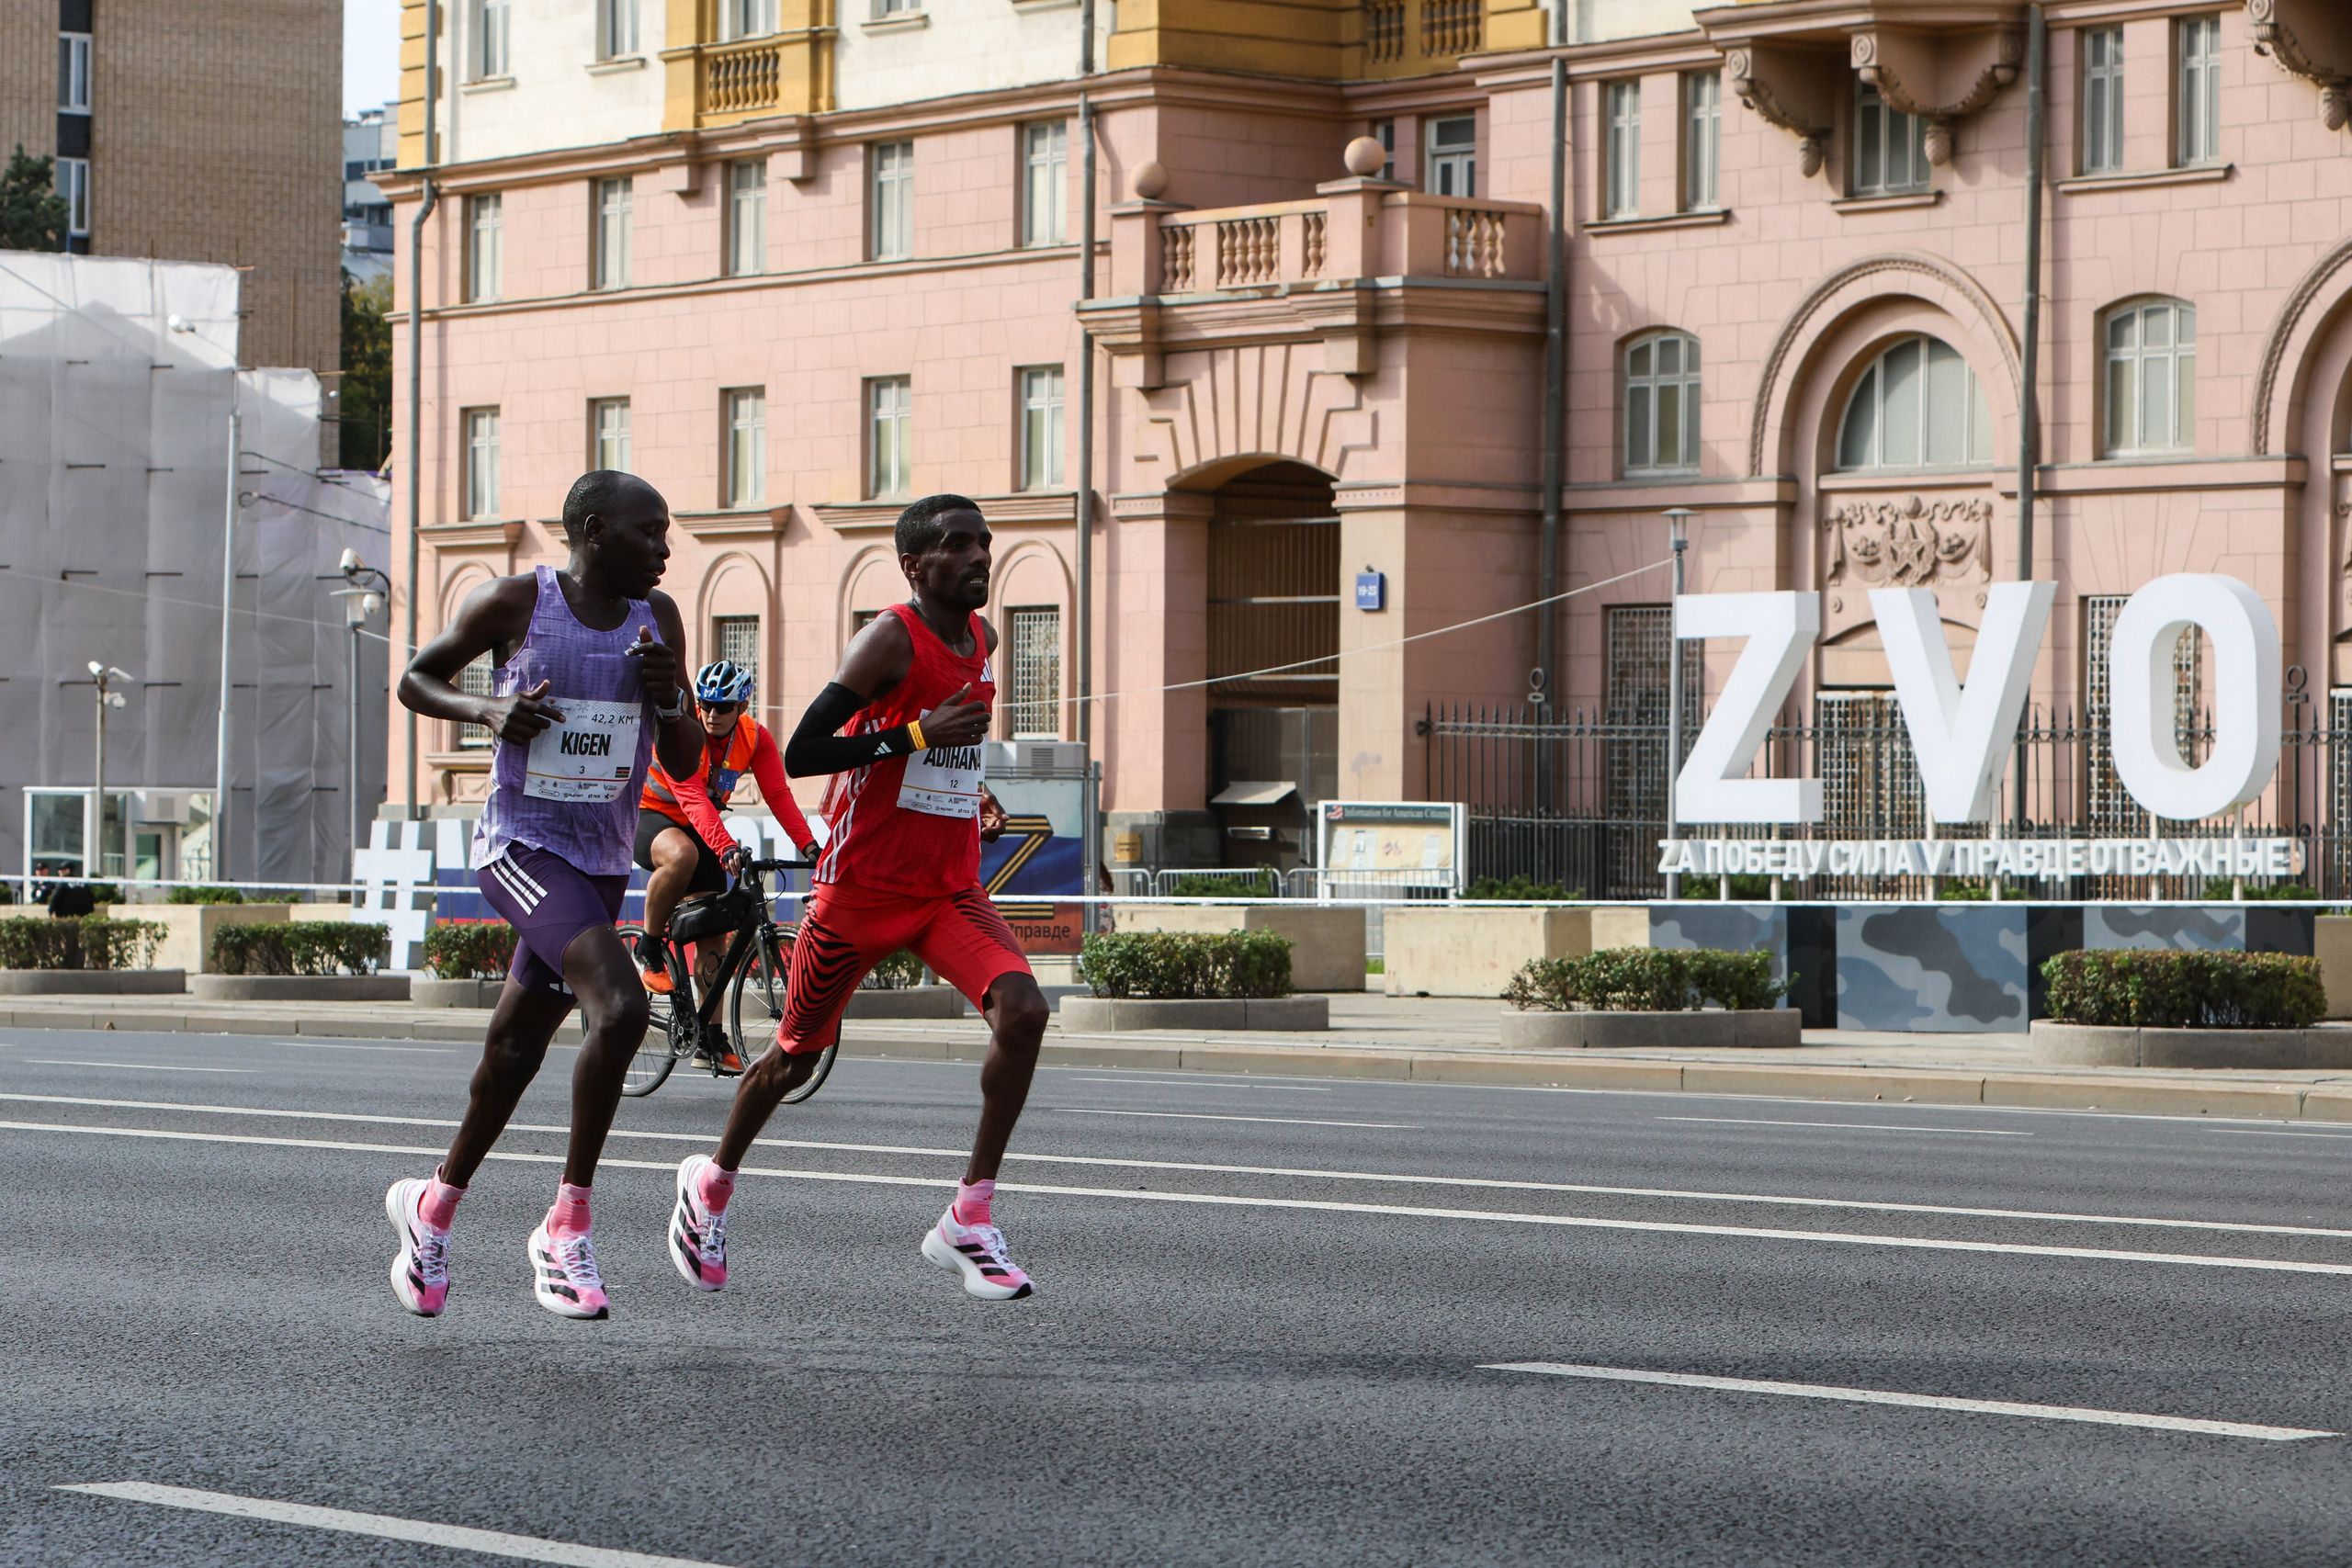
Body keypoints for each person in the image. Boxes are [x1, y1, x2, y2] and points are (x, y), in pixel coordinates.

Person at [665, 494, 1050, 1302]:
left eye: (984, 542)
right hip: (860, 891)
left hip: (947, 885)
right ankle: (709, 1186)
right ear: (915, 565)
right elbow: (806, 749)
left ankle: (969, 1217)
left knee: (1024, 1009)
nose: (980, 556)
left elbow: (947, 747)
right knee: (791, 1059)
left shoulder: (980, 638)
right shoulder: (888, 636)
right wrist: (915, 735)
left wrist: (967, 787)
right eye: (958, 546)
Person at [382, 470, 705, 1322]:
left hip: (599, 861)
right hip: (521, 847)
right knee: (624, 1008)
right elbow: (417, 679)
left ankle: (433, 1205)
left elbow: (684, 759)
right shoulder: (517, 602)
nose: (665, 549)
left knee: (512, 1053)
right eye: (650, 533)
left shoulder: (657, 619)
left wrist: (669, 687)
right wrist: (485, 713)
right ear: (594, 531)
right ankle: (566, 1223)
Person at [633, 660, 820, 1044]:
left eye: (723, 707)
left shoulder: (756, 738)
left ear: (743, 707)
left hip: (700, 826)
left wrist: (811, 845)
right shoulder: (683, 734)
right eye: (704, 705)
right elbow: (693, 798)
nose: (711, 714)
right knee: (682, 855)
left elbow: (780, 796)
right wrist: (725, 847)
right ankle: (648, 947)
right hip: (646, 814)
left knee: (715, 937)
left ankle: (711, 1038)